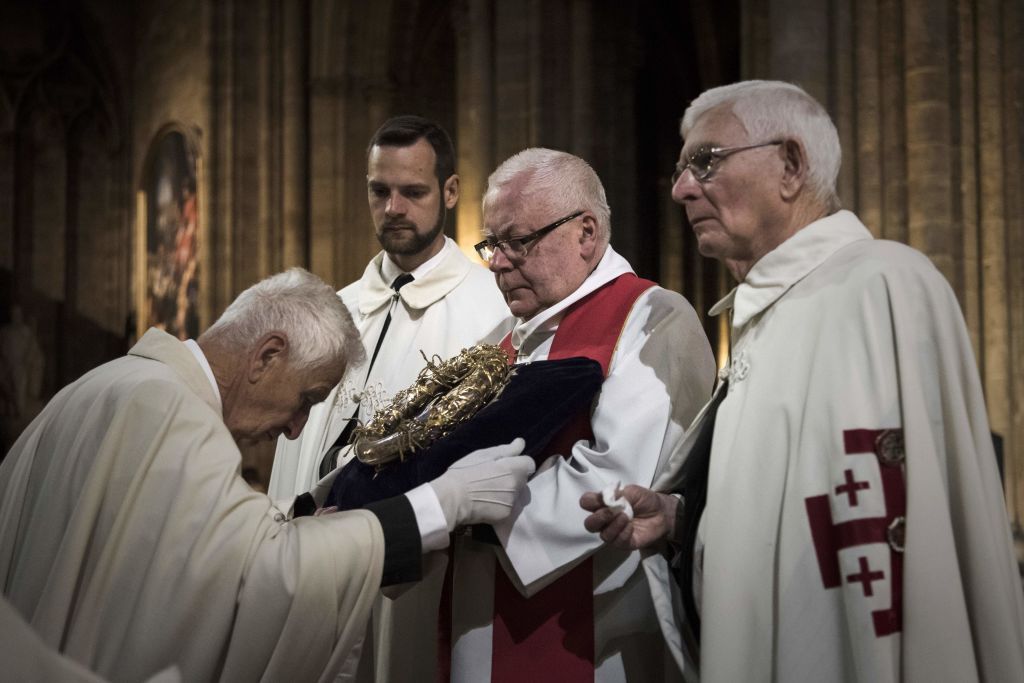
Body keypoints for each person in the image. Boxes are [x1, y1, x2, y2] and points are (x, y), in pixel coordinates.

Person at [581, 80, 1024, 681]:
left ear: (790, 165)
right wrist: (682, 520)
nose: (683, 188)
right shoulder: (775, 310)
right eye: (682, 168)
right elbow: (792, 512)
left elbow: (887, 549)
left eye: (705, 161)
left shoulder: (880, 286)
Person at [0, 268, 535, 683]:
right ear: (267, 356)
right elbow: (257, 579)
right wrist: (441, 505)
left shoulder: (103, 388)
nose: (297, 429)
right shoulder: (171, 412)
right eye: (306, 400)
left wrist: (300, 514)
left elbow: (173, 550)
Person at [440, 148, 716, 682]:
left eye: (516, 242)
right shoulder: (503, 340)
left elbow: (617, 480)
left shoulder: (651, 316)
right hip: (477, 613)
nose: (497, 262)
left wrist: (453, 508)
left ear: (586, 233)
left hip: (590, 628)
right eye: (491, 244)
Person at [268, 115, 510, 681]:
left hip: (413, 578)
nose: (394, 208)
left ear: (450, 192)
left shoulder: (492, 313)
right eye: (380, 191)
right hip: (314, 562)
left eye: (413, 192)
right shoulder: (336, 307)